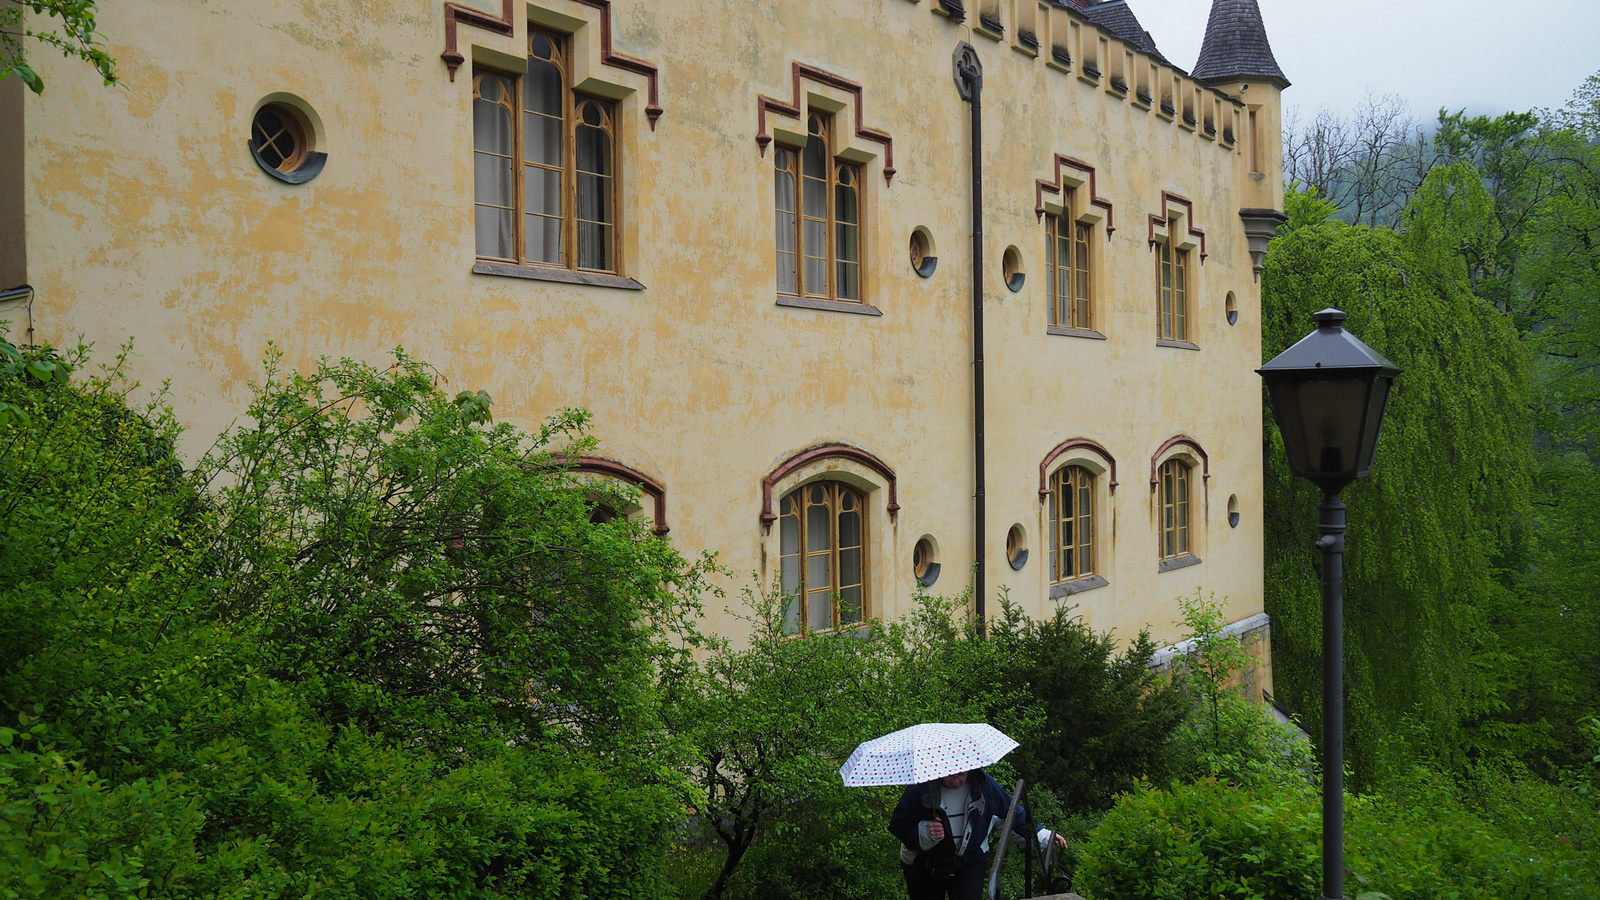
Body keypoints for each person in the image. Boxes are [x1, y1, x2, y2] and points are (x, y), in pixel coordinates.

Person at [887, 768, 1067, 900]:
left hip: (969, 861)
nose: (957, 781)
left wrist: (1043, 836)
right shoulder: (919, 787)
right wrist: (925, 832)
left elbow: (1010, 814)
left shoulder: (983, 785)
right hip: (923, 864)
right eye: (951, 775)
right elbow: (899, 825)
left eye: (961, 774)